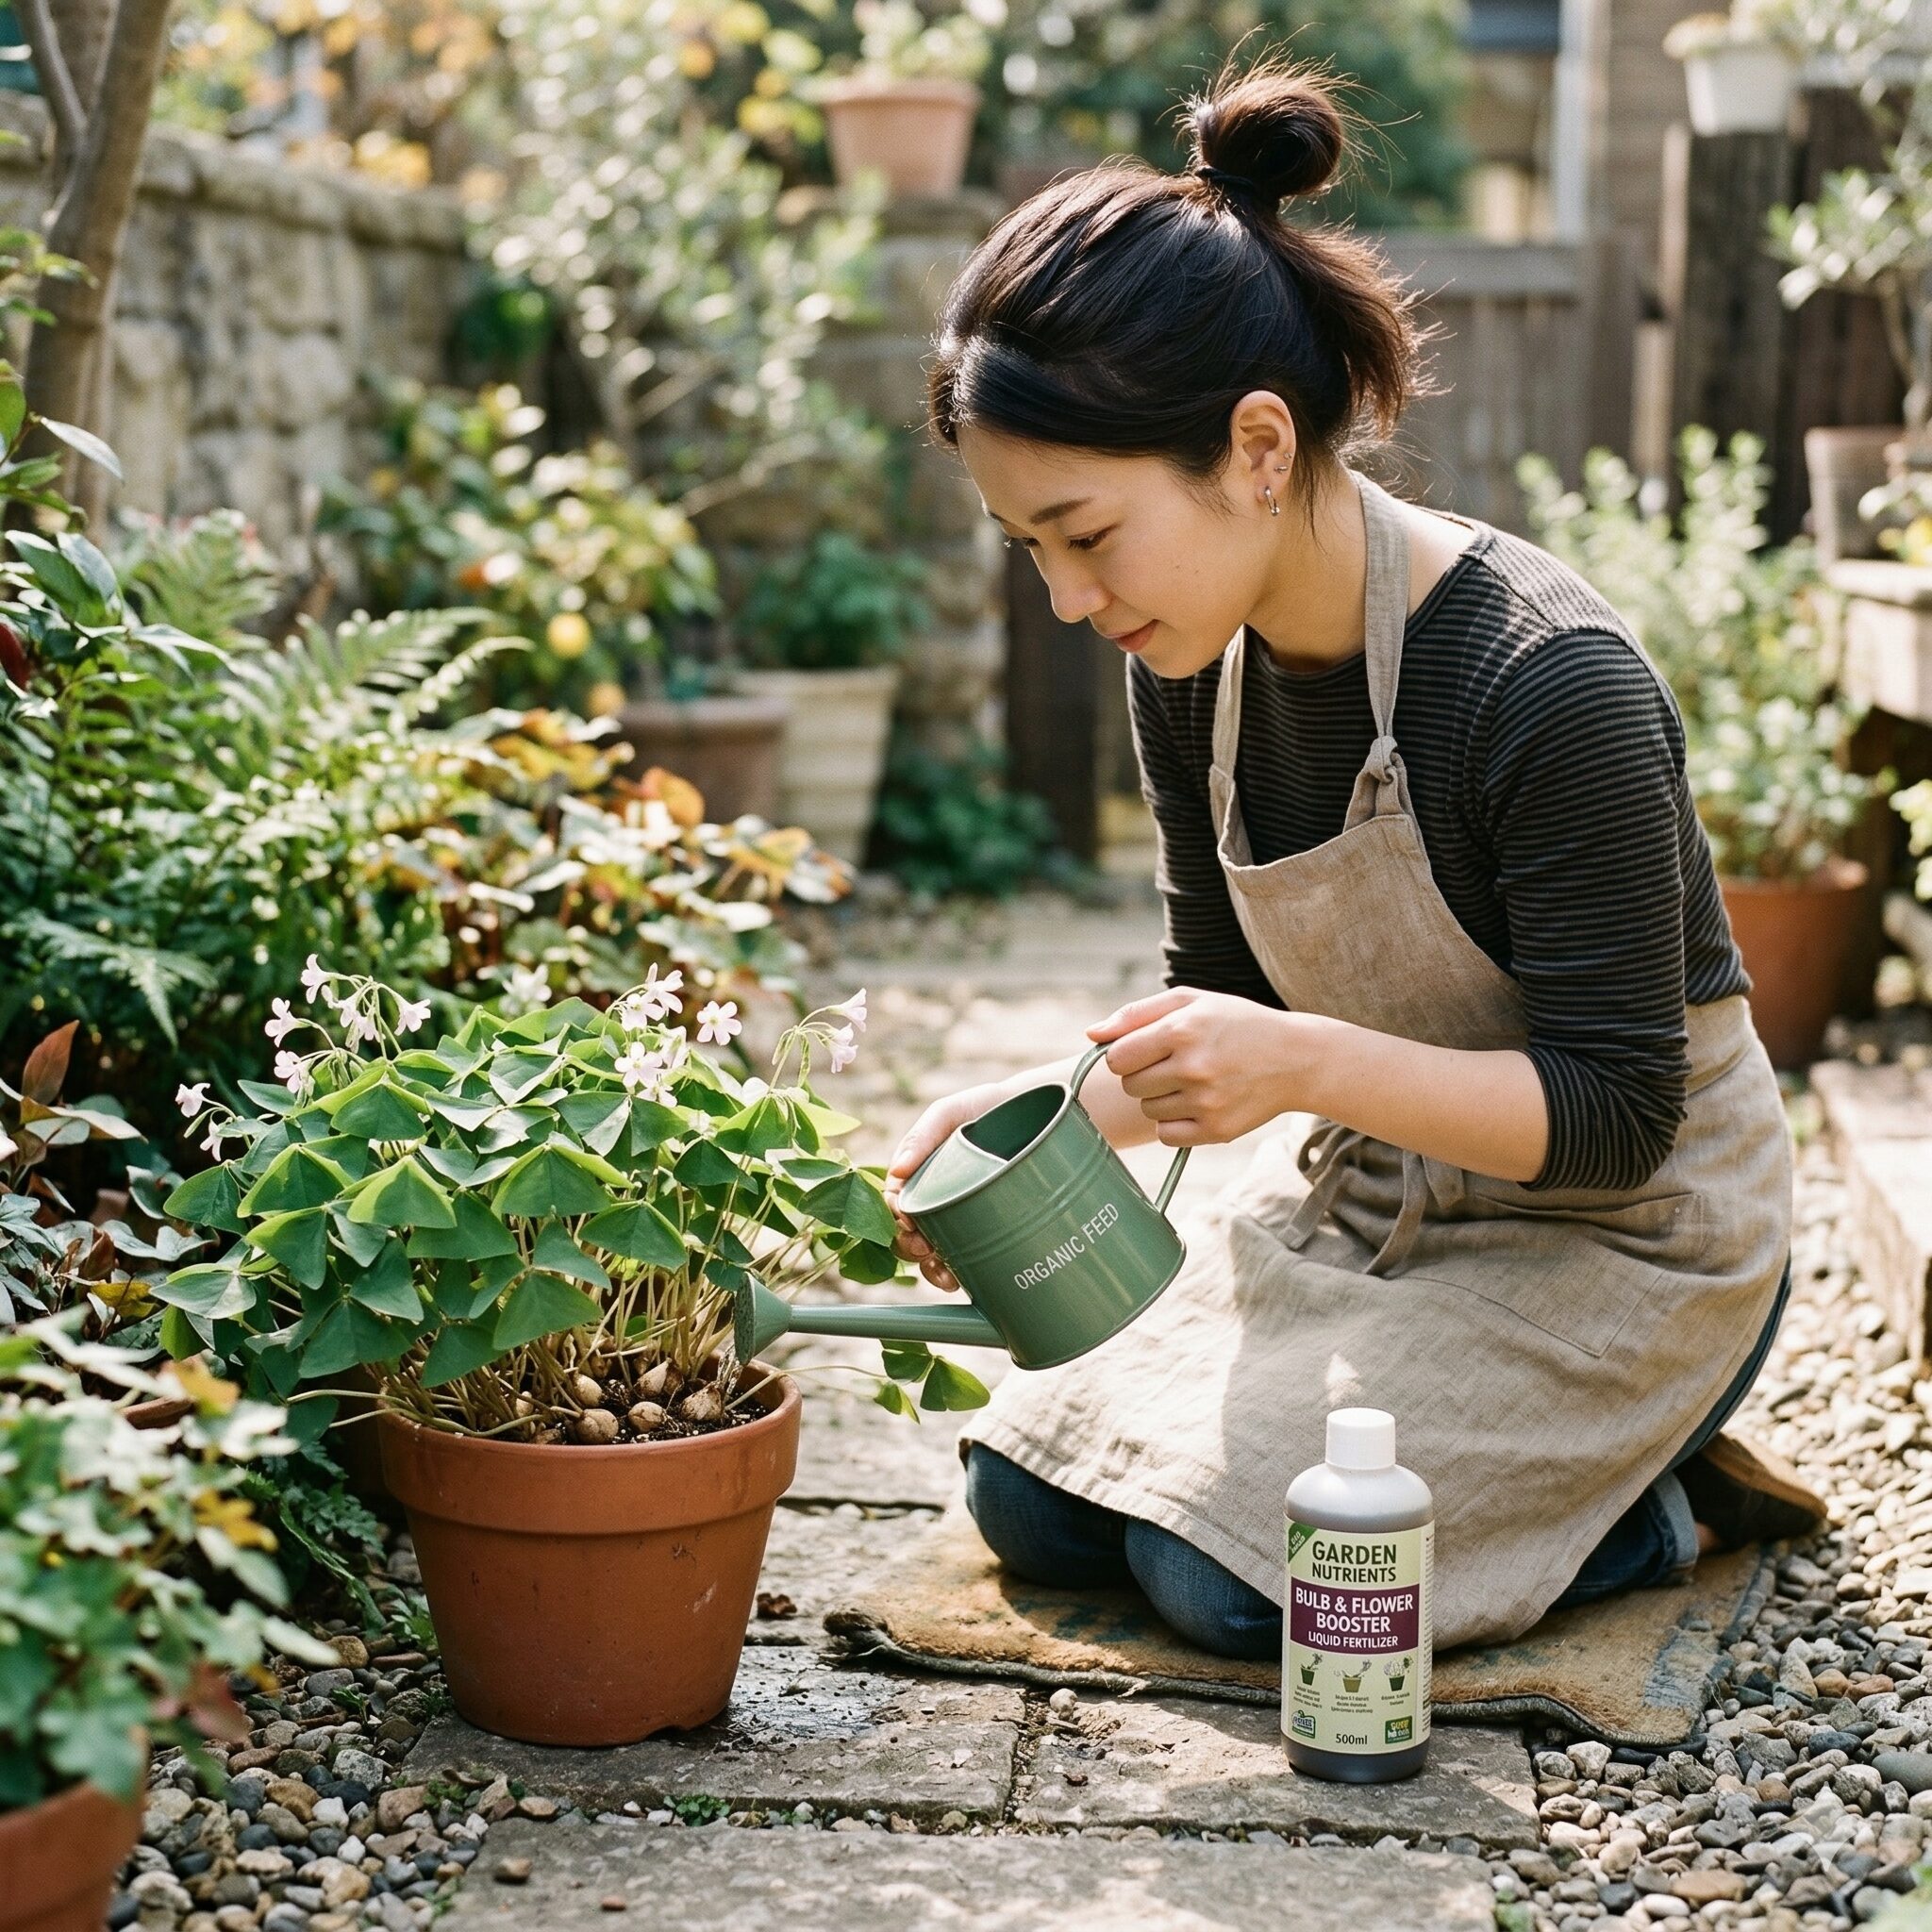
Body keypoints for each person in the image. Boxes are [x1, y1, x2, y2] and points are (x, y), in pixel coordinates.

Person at [883, 55, 1822, 1661]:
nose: (1067, 598)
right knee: (1030, 1497)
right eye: (1029, 546)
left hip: (1630, 1248)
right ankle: (1523, 1490)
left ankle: (1654, 1504)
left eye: (1086, 534)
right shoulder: (1189, 667)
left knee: (1233, 1581)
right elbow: (1228, 1006)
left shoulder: (1547, 682)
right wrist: (1042, 1111)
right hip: (1386, 1206)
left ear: (1259, 446)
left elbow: (1616, 1120)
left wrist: (1306, 1064)